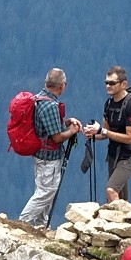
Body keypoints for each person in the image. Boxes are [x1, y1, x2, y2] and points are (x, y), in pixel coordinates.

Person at [17, 68, 84, 228]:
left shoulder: (39, 99)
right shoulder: (50, 106)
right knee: (46, 192)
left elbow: (50, 127)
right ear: (61, 85)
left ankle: (41, 226)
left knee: (44, 190)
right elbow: (57, 137)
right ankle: (22, 222)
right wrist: (72, 131)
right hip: (49, 157)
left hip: (41, 154)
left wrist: (66, 123)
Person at [82, 65, 131, 203]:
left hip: (129, 156)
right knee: (120, 198)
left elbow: (130, 138)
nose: (108, 86)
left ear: (123, 84)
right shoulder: (109, 104)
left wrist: (102, 131)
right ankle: (126, 222)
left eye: (112, 83)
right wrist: (92, 133)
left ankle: (117, 223)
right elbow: (105, 133)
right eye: (106, 83)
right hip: (113, 155)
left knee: (111, 190)